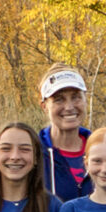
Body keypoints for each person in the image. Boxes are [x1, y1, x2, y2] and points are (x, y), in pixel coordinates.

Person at [37, 67, 93, 203]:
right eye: (59, 100)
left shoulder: (104, 149)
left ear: (86, 101)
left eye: (76, 97)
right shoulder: (33, 153)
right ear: (44, 106)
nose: (69, 107)